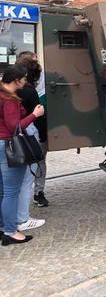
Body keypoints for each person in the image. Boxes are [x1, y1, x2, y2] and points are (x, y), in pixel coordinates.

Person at [0, 65, 45, 245]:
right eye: (24, 79)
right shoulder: (9, 99)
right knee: (11, 192)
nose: (26, 81)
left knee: (2, 190)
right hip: (9, 146)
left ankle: (3, 226)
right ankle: (11, 232)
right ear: (16, 80)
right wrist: (34, 114)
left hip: (0, 144)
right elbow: (14, 126)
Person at [17, 52, 49, 207]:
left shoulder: (8, 88)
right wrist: (43, 135)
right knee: (38, 162)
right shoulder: (29, 91)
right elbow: (37, 116)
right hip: (29, 132)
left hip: (16, 132)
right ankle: (37, 193)